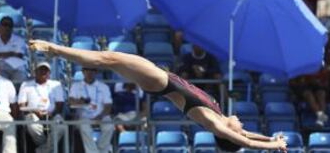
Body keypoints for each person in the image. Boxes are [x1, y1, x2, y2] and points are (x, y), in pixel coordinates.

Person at [29, 39, 287, 152]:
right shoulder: (219, 118)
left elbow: (247, 143)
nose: (241, 122)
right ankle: (55, 50)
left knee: (108, 58)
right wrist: (272, 137)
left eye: (240, 127)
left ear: (229, 134)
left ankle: (54, 49)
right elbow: (247, 137)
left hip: (162, 83)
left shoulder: (216, 124)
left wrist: (273, 146)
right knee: (109, 59)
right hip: (164, 80)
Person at [17, 61, 65, 153]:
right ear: (35, 72)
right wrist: (34, 111)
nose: (43, 72)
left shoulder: (56, 84)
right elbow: (21, 105)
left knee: (61, 127)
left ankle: (42, 150)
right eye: (41, 70)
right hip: (33, 113)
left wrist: (52, 113)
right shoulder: (26, 85)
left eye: (46, 70)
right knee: (33, 125)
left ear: (49, 73)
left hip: (52, 114)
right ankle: (47, 149)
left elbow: (60, 104)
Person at [69, 67, 114, 153]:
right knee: (84, 126)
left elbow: (108, 106)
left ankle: (101, 150)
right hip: (84, 117)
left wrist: (100, 116)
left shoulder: (103, 87)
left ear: (96, 72)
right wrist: (79, 101)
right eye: (87, 70)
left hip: (101, 115)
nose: (89, 73)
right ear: (83, 72)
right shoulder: (76, 86)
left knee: (109, 126)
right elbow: (71, 101)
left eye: (92, 70)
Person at [0, 16, 28, 83]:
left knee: (21, 80)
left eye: (9, 25)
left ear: (12, 28)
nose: (7, 27)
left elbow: (19, 55)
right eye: (4, 25)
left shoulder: (19, 40)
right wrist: (11, 53)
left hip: (16, 66)